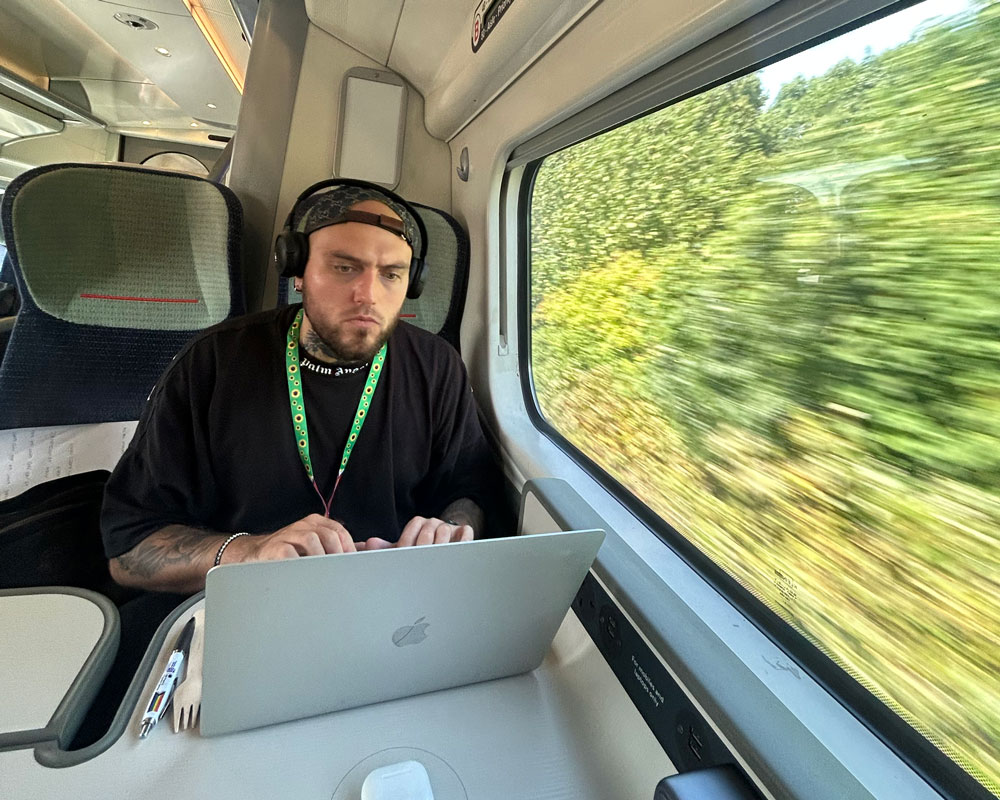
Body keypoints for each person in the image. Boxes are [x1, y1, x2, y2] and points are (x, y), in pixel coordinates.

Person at [100, 181, 500, 596]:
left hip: (393, 596)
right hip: (251, 596)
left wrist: (451, 530)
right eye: (344, 267)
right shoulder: (212, 363)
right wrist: (251, 553)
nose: (368, 295)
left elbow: (471, 492)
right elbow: (130, 551)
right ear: (297, 270)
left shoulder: (437, 367)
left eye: (391, 274)